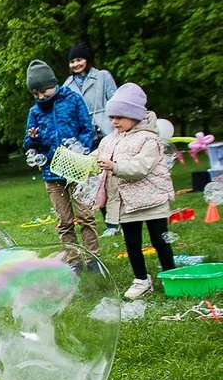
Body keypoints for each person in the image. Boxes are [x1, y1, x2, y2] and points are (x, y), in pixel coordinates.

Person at [95, 83, 176, 299]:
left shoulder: (149, 139)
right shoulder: (110, 139)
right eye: (112, 117)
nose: (114, 121)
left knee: (160, 240)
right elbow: (97, 157)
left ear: (135, 116)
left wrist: (115, 166)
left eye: (119, 117)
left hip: (152, 200)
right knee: (132, 243)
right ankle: (141, 279)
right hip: (126, 202)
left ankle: (171, 276)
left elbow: (141, 167)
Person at [23, 59, 101, 256]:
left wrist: (79, 150)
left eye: (44, 91)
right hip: (51, 172)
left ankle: (93, 258)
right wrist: (33, 139)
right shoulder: (34, 111)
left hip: (76, 168)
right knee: (64, 221)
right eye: (36, 93)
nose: (41, 97)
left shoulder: (73, 100)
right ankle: (73, 260)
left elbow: (87, 129)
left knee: (85, 216)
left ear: (53, 84)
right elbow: (28, 144)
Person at [63, 42, 120, 235]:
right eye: (72, 61)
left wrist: (114, 124)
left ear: (87, 59)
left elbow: (115, 102)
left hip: (106, 131)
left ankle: (118, 220)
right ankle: (110, 223)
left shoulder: (103, 76)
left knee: (112, 178)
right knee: (95, 181)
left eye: (79, 59)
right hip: (83, 137)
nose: (76, 64)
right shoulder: (67, 85)